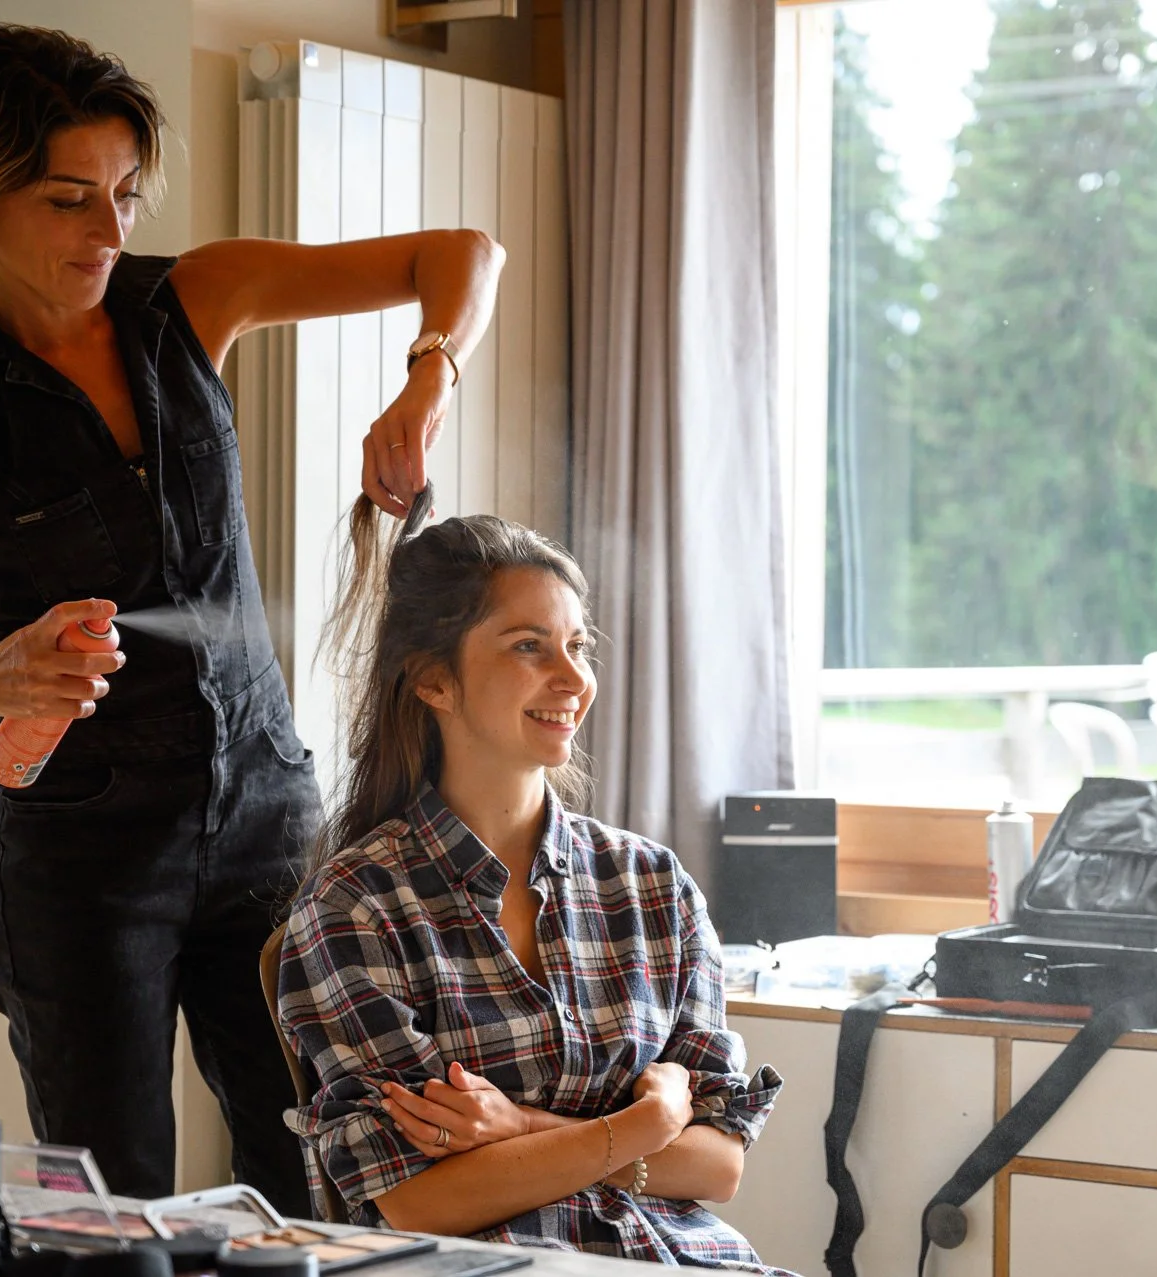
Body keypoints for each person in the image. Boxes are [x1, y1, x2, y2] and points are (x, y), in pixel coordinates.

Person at [0, 24, 503, 1216]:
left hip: (268, 818)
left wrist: (429, 378)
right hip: (84, 868)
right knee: (111, 1210)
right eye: (68, 201)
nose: (110, 232)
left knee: (322, 1172)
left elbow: (465, 252)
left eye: (123, 195)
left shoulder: (194, 298)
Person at [277, 494, 788, 1270]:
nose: (572, 678)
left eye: (577, 645)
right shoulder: (357, 904)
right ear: (432, 681)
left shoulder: (653, 887)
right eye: (528, 646)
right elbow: (417, 1196)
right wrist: (645, 1129)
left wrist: (516, 1129)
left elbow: (718, 1165)